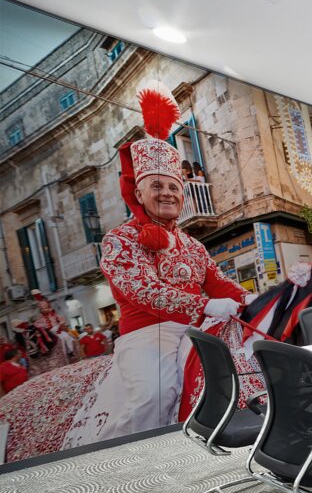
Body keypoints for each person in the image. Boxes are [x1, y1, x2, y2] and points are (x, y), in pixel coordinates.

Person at [63, 80, 255, 446]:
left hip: (196, 331)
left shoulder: (193, 245)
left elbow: (218, 284)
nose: (166, 193)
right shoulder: (120, 239)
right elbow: (143, 291)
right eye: (157, 186)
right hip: (147, 336)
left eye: (173, 187)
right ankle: (125, 459)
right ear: (139, 192)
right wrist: (205, 305)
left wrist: (255, 299)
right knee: (153, 397)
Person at [26, 291, 70, 375]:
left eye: (45, 308)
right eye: (42, 308)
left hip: (57, 332)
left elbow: (62, 322)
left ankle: (70, 353)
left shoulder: (56, 316)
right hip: (47, 334)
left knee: (66, 338)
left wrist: (58, 326)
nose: (44, 309)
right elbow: (36, 326)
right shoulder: (38, 320)